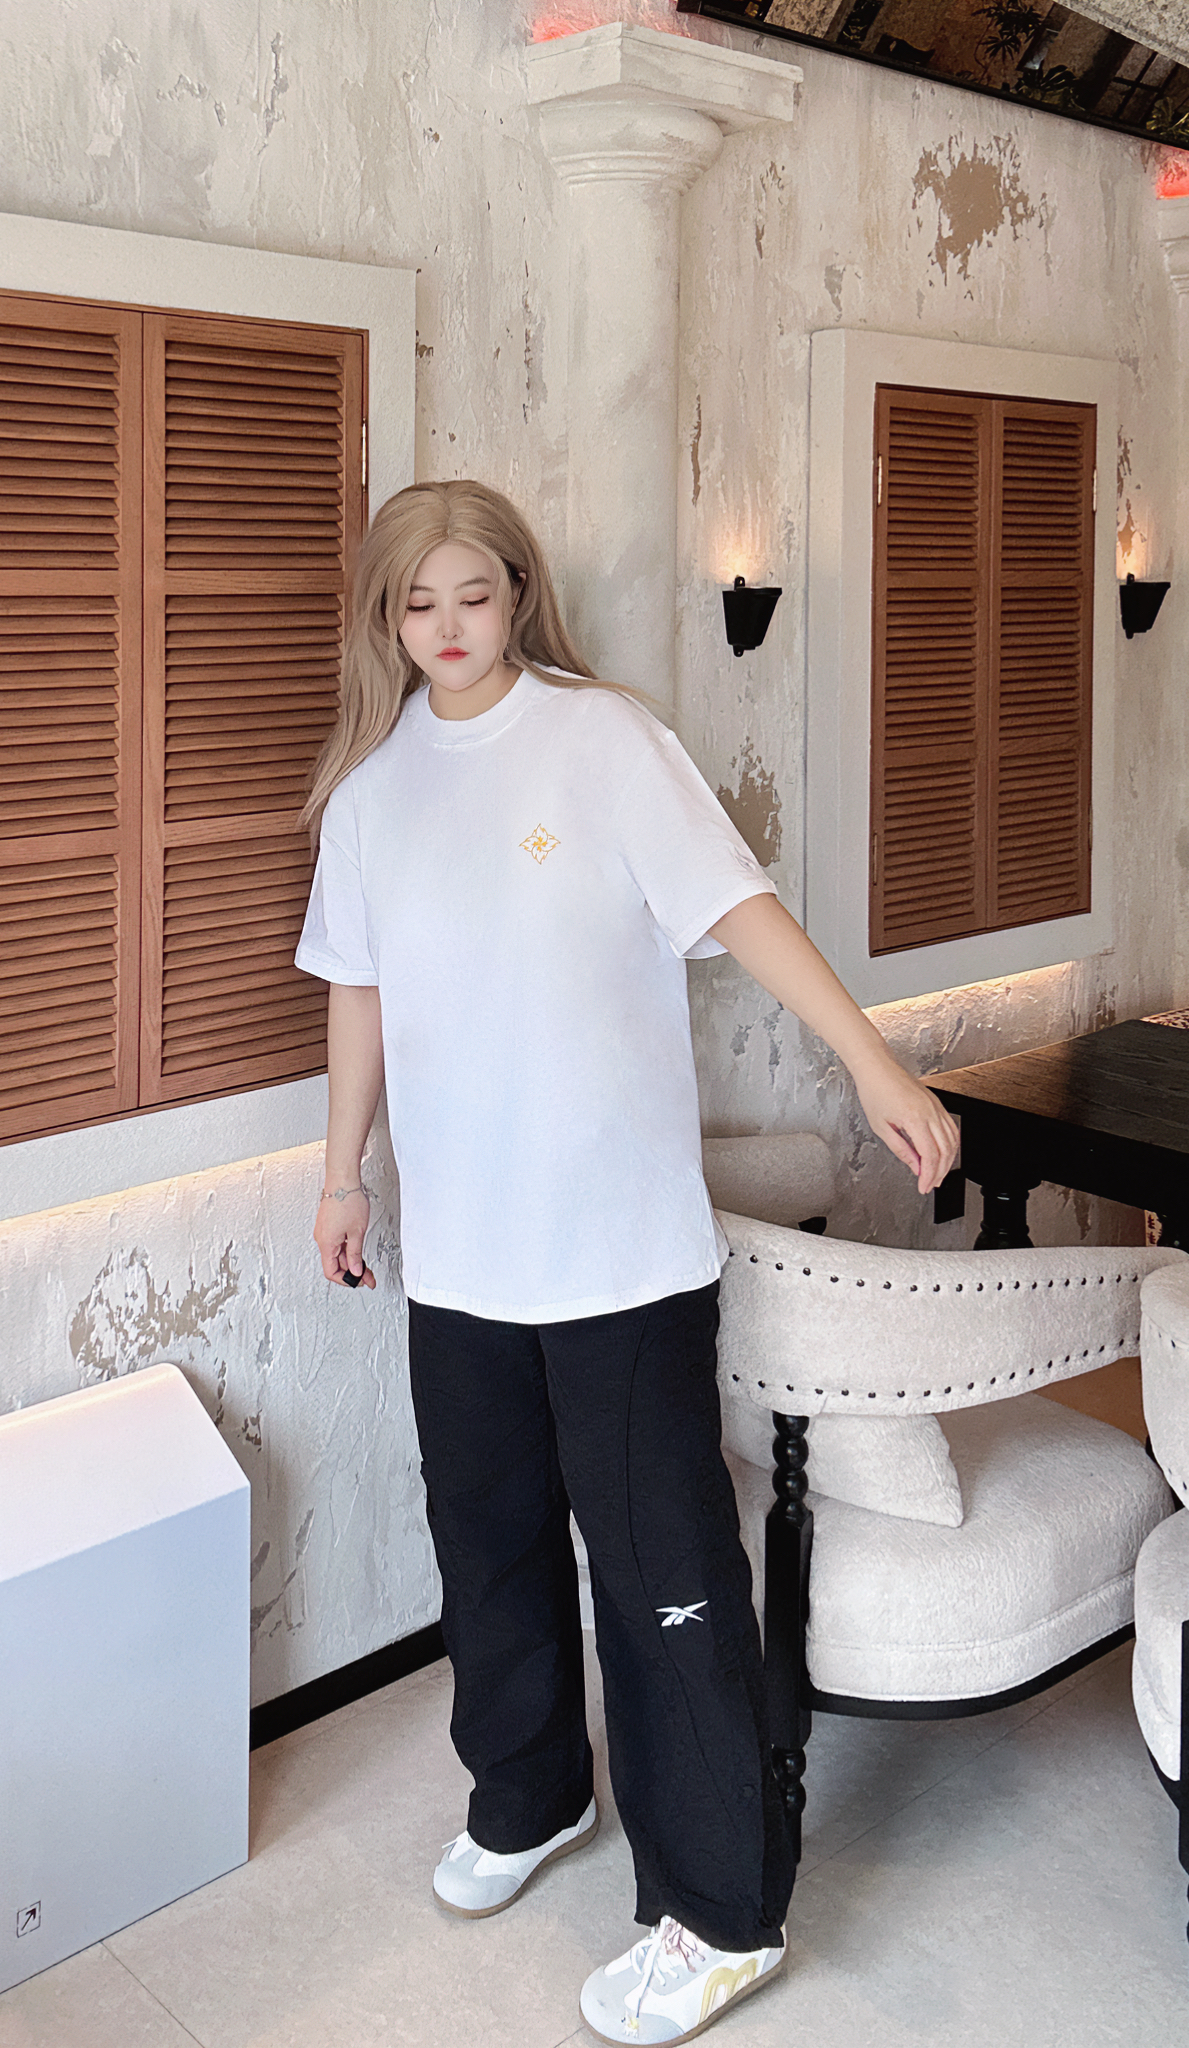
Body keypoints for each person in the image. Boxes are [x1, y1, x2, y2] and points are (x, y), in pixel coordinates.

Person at [295, 479, 958, 2044]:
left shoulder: (604, 741)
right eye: (416, 604)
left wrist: (874, 1063)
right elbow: (357, 992)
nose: (448, 627)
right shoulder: (373, 794)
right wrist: (339, 1173)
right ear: (386, 621)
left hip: (618, 1261)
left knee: (664, 1578)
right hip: (463, 1259)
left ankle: (720, 1915)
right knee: (488, 1546)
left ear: (518, 592)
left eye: (473, 594)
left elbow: (742, 908)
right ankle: (529, 1794)